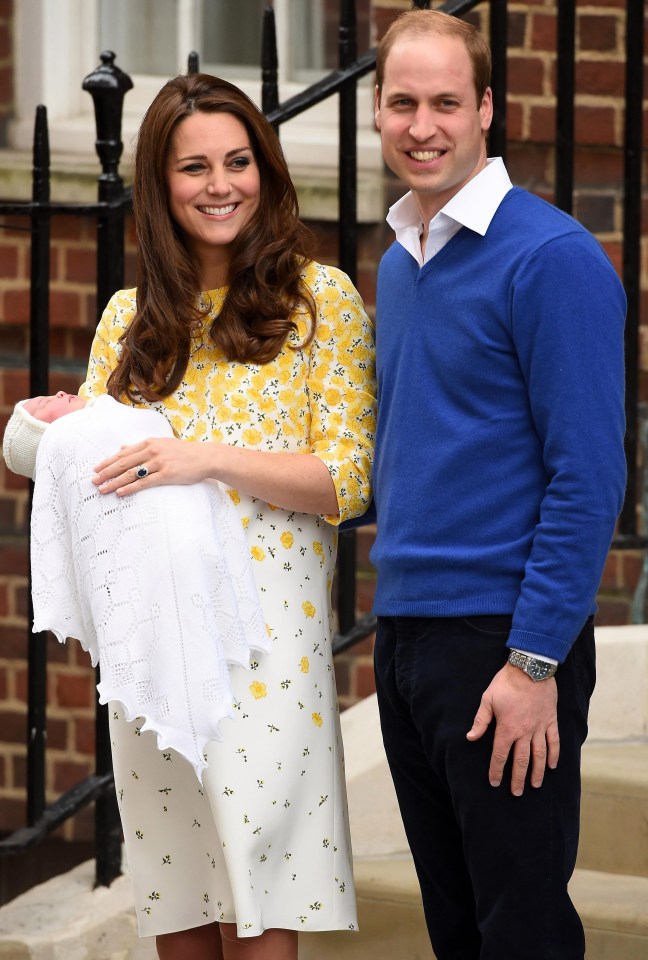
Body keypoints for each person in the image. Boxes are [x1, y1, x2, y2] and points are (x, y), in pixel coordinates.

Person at [75, 73, 375, 960]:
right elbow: (93, 473)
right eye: (194, 166)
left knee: (261, 899)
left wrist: (201, 459)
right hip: (156, 643)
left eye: (239, 162)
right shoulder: (130, 320)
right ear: (159, 185)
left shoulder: (321, 303)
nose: (220, 185)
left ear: (268, 171)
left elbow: (347, 480)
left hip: (268, 650)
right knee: (179, 900)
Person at [370, 10, 626, 960]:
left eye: (445, 102)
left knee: (522, 935)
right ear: (379, 112)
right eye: (403, 102)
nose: (422, 125)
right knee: (456, 933)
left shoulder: (551, 259)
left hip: (503, 645)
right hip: (407, 640)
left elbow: (589, 476)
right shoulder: (402, 262)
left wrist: (533, 663)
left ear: (487, 108)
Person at [2, 391, 271, 780]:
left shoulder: (107, 407)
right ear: (47, 435)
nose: (59, 393)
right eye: (44, 406)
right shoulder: (70, 441)